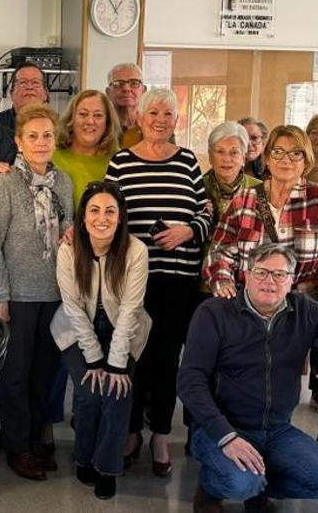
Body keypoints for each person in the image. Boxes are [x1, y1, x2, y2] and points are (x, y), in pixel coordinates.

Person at [181, 244, 318, 513]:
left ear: (291, 280)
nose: (269, 281)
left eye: (279, 274)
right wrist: (226, 436)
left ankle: (257, 487)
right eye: (261, 272)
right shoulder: (214, 313)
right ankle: (212, 488)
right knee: (240, 482)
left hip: (277, 430)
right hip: (220, 427)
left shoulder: (304, 310)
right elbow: (190, 381)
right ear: (246, 275)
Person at [203, 124, 318, 415]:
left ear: (306, 160)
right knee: (240, 381)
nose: (286, 159)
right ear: (267, 158)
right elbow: (219, 251)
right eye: (278, 152)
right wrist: (222, 280)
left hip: (297, 309)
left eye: (295, 153)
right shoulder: (245, 200)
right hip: (251, 304)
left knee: (283, 391)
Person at [105, 87, 211, 477]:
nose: (160, 121)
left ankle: (161, 434)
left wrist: (188, 230)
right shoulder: (121, 162)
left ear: (176, 121)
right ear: (139, 117)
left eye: (168, 114)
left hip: (179, 278)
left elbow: (206, 213)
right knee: (133, 356)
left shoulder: (187, 161)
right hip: (134, 278)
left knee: (167, 358)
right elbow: (108, 214)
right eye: (153, 113)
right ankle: (131, 430)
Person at [0, 103, 74, 481]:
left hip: (54, 293)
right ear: (20, 142)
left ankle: (37, 439)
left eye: (47, 136)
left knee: (45, 374)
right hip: (18, 295)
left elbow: (69, 227)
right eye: (33, 136)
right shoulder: (5, 184)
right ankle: (17, 447)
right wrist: (0, 297)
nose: (41, 142)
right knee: (16, 375)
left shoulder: (63, 182)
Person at [51, 180, 150, 500]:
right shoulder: (68, 250)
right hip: (75, 329)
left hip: (124, 328)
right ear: (83, 217)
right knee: (90, 393)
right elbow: (72, 308)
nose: (102, 218)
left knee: (117, 393)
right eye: (94, 210)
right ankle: (83, 457)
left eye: (110, 211)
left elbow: (131, 310)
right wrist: (94, 358)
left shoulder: (136, 250)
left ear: (121, 217)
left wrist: (116, 365)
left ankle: (107, 467)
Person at [201, 122, 262, 282]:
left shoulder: (260, 190)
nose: (226, 159)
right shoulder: (197, 188)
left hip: (247, 277)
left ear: (243, 157)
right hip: (202, 276)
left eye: (234, 152)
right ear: (210, 156)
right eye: (219, 151)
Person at [53, 90, 122, 205]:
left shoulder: (119, 161)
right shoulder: (51, 158)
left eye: (98, 115)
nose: (90, 121)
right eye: (83, 114)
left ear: (108, 122)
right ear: (71, 118)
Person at [0, 61, 49, 139]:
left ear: (45, 93)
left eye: (35, 82)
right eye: (23, 83)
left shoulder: (57, 125)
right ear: (12, 93)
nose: (29, 87)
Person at [105, 63, 146, 149]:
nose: (126, 89)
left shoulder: (155, 126)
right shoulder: (99, 127)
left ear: (143, 90)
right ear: (108, 92)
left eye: (134, 83)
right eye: (118, 84)